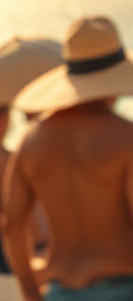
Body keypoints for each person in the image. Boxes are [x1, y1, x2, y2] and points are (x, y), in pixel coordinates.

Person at [1, 15, 133, 301]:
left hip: (61, 291)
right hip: (124, 288)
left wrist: (29, 291)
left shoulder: (32, 141)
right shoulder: (132, 137)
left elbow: (13, 225)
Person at [0, 36, 62, 280]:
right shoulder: (13, 160)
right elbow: (24, 230)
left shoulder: (16, 157)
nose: (6, 117)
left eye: (5, 109)